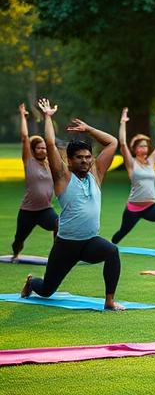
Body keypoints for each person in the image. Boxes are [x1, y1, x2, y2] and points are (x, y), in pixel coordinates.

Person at [21, 98, 123, 310]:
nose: (85, 161)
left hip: (89, 243)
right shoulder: (63, 177)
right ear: (69, 160)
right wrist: (48, 117)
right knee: (47, 290)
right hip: (66, 246)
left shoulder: (96, 174)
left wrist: (88, 129)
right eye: (79, 158)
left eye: (88, 157)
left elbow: (113, 142)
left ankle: (110, 301)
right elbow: (50, 144)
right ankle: (32, 282)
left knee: (112, 251)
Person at [111, 108, 155, 255]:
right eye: (141, 145)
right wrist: (123, 122)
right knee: (122, 232)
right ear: (135, 149)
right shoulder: (131, 163)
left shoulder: (151, 161)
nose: (144, 148)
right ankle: (109, 246)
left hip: (150, 206)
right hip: (133, 208)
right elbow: (122, 143)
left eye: (146, 145)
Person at [11, 103, 58, 261]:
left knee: (59, 224)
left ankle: (57, 254)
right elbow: (25, 138)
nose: (43, 150)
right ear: (33, 150)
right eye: (39, 148)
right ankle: (15, 254)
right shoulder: (28, 162)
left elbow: (51, 141)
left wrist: (48, 117)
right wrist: (23, 117)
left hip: (45, 210)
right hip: (27, 211)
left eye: (45, 148)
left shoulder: (50, 163)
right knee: (19, 240)